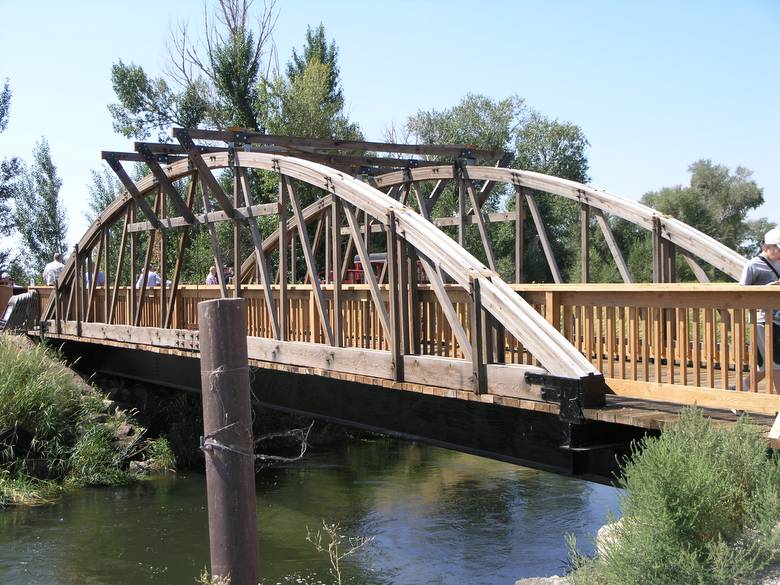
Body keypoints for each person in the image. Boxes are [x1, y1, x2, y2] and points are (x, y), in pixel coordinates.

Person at [739, 227, 780, 391]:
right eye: (777, 249)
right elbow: (740, 294)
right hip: (762, 320)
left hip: (778, 319)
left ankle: (738, 394)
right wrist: (765, 289)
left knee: (764, 368)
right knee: (776, 363)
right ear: (767, 248)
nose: (779, 253)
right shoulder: (753, 265)